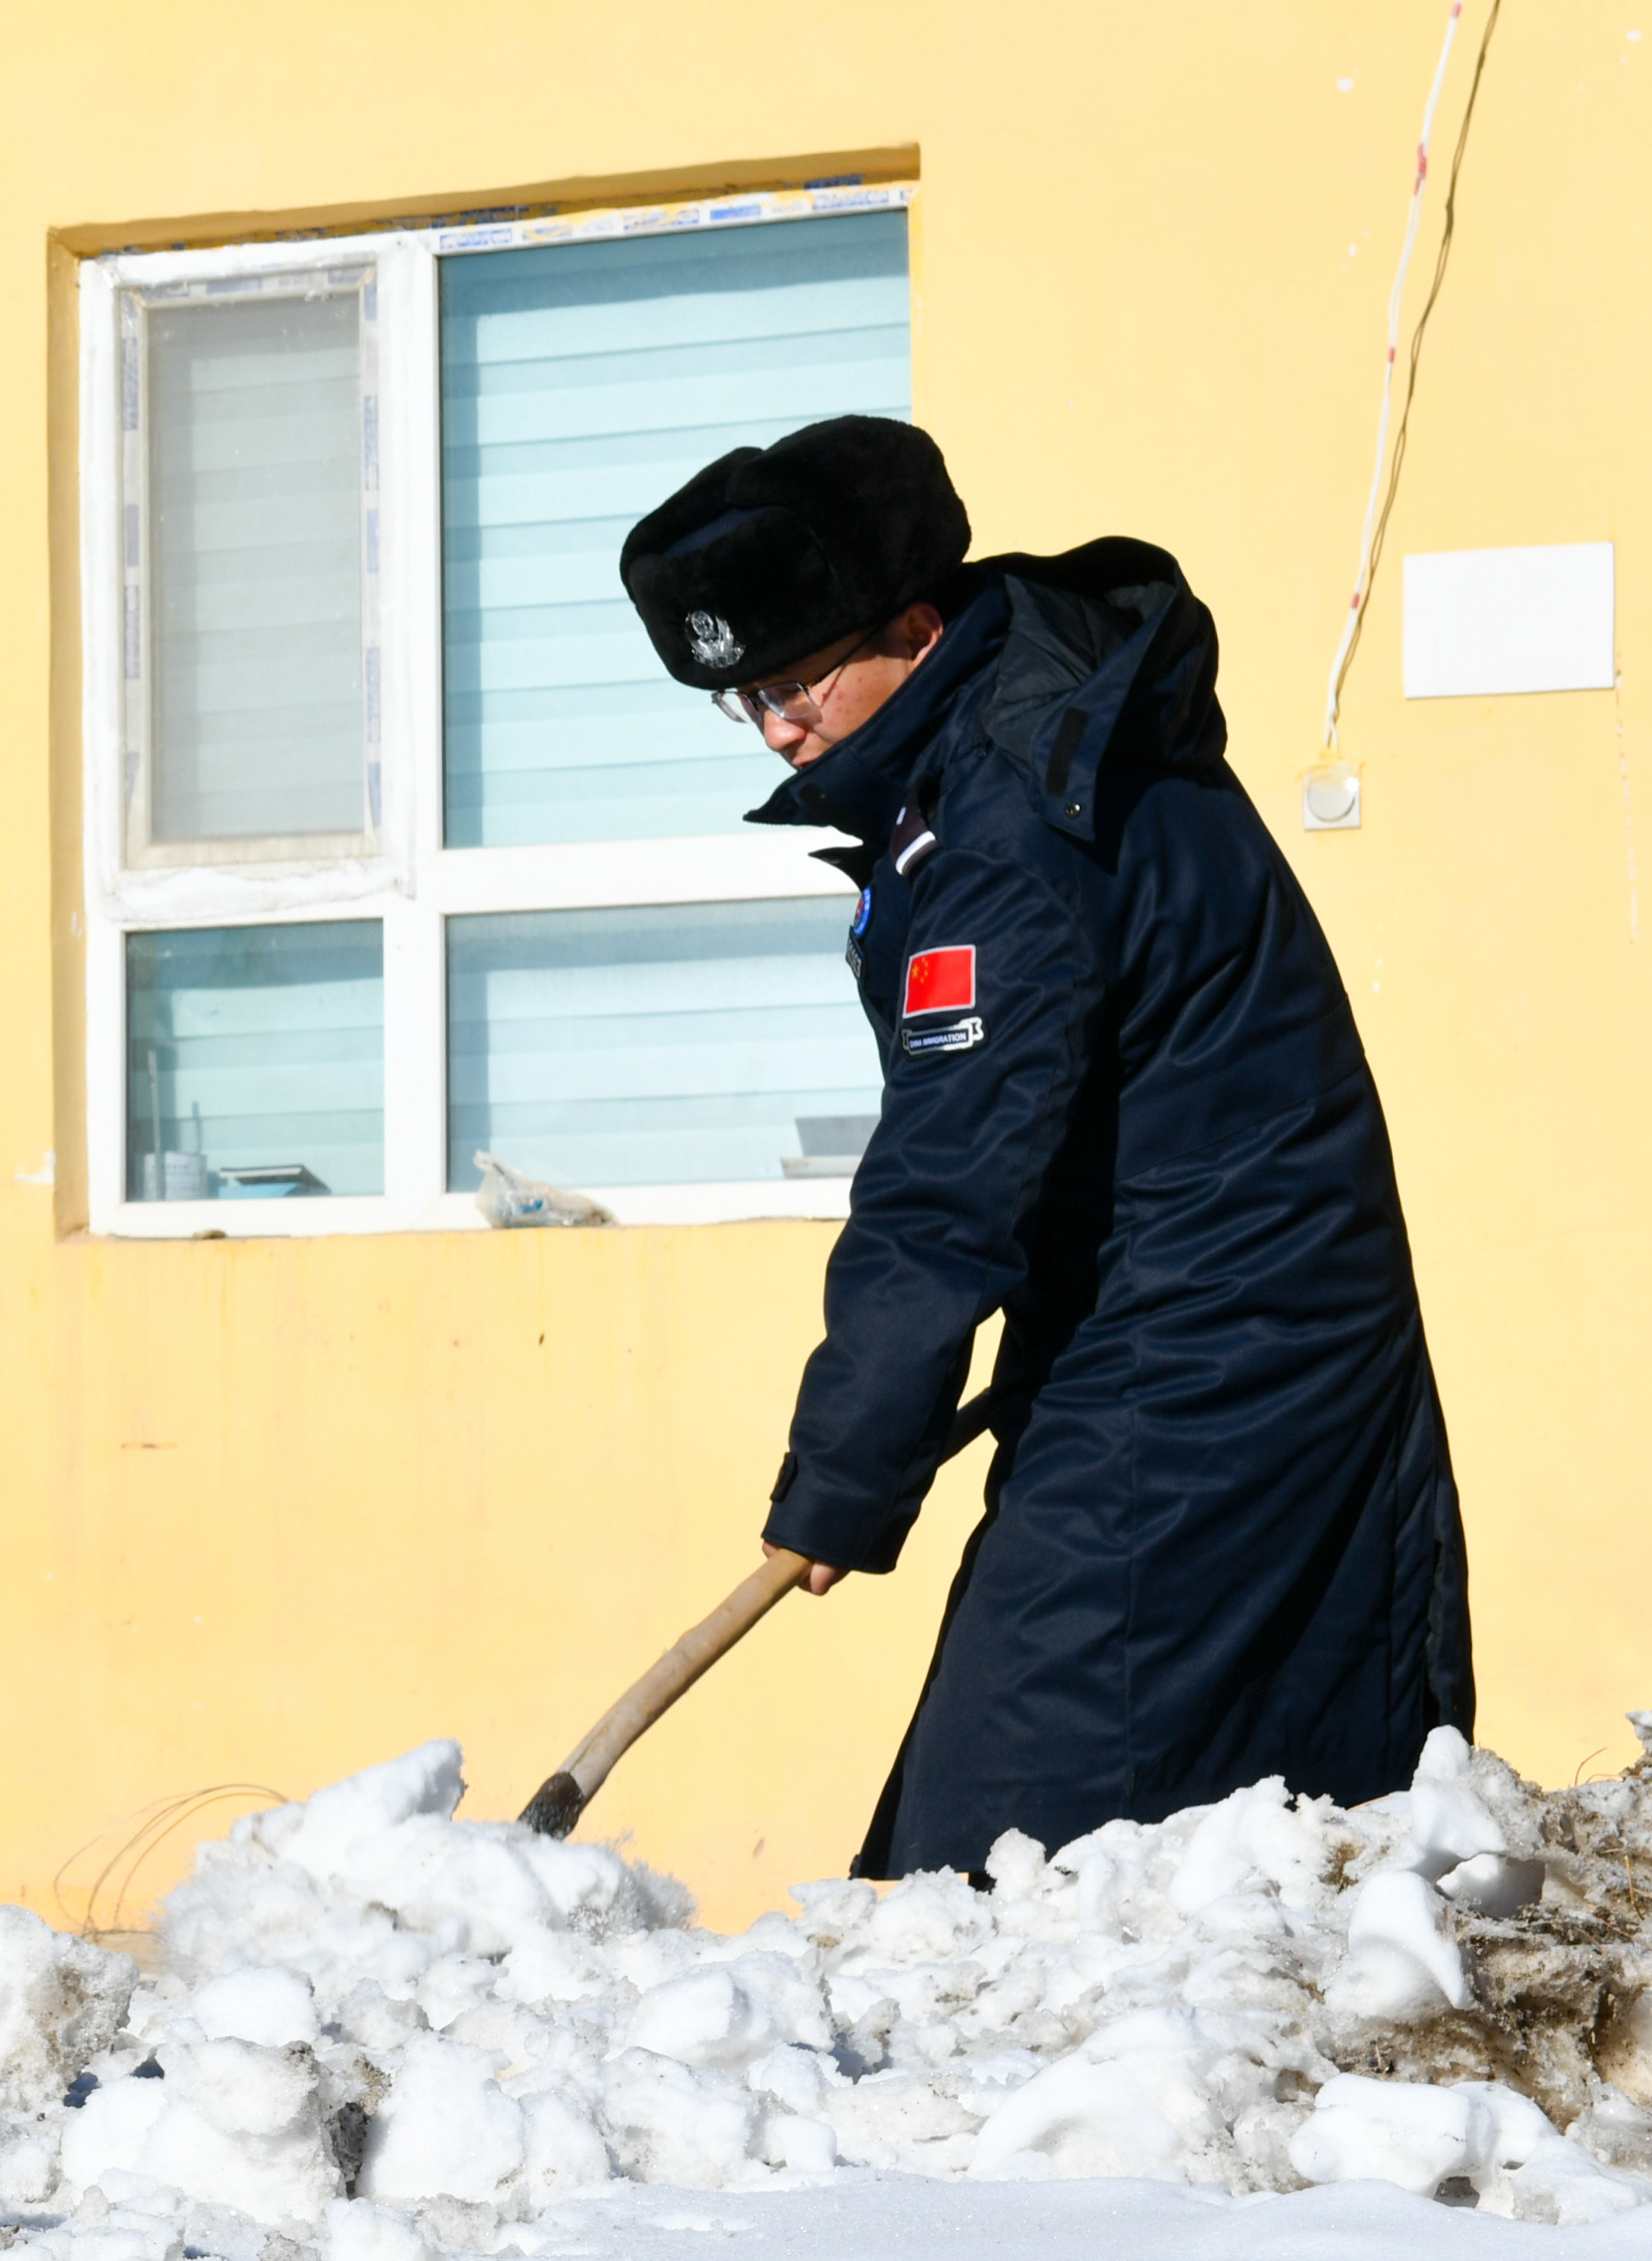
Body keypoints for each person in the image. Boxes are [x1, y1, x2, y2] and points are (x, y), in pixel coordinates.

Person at [619, 415, 1470, 1877]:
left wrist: (844, 1473)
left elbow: (945, 1187)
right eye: (743, 697)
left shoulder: (1008, 825)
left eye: (797, 680)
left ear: (913, 623)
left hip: (1213, 1358)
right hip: (1198, 1328)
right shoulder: (1016, 739)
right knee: (1199, 1821)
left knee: (1001, 1842)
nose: (775, 728)